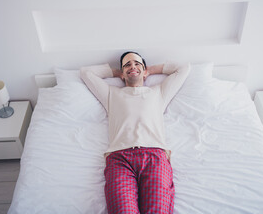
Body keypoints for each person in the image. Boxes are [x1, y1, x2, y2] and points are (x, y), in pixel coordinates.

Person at [80, 51, 190, 214]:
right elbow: (86, 73)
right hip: (119, 159)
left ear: (144, 71)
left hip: (155, 156)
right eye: (127, 65)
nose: (132, 66)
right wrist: (118, 72)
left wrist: (150, 70)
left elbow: (183, 68)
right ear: (122, 74)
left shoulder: (158, 92)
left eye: (137, 64)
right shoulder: (111, 93)